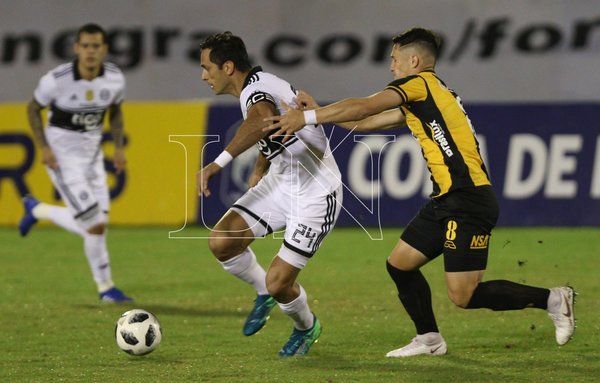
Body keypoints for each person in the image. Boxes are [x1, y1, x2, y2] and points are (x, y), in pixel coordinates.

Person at [265, 27, 575, 357]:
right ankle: (429, 339)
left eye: (394, 59)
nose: (391, 67)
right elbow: (368, 123)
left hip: (468, 200)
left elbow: (366, 107)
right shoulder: (431, 95)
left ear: (413, 60)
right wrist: (319, 112)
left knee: (463, 295)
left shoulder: (418, 85)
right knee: (400, 264)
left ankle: (554, 299)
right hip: (446, 200)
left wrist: (308, 117)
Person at [197, 31, 342, 357]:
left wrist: (216, 164)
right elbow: (275, 127)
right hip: (281, 183)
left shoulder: (255, 90)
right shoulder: (259, 85)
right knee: (222, 242)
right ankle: (262, 291)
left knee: (281, 283)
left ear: (229, 66)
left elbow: (261, 122)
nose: (203, 75)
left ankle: (307, 327)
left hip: (316, 194)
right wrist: (262, 166)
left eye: (208, 67)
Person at [20, 23, 132, 303]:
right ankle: (106, 288)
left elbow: (115, 111)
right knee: (94, 225)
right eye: (85, 46)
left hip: (94, 159)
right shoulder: (56, 80)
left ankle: (38, 210)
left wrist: (118, 148)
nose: (90, 51)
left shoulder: (115, 79)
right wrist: (44, 148)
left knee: (98, 222)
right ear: (76, 48)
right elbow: (33, 109)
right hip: (63, 160)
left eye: (96, 46)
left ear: (104, 49)